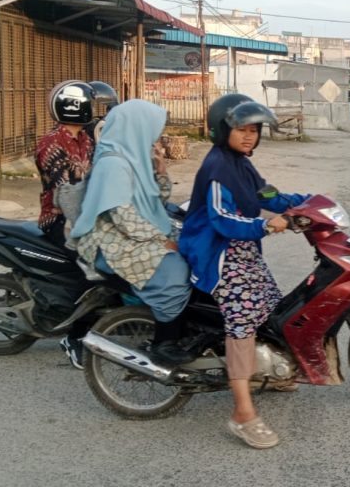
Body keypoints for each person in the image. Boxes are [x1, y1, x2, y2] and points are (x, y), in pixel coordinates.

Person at [179, 94, 310, 450]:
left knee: (272, 303)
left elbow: (265, 194)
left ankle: (269, 373)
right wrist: (268, 226)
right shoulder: (218, 167)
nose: (249, 136)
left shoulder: (241, 163)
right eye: (242, 129)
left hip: (240, 249)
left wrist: (305, 202)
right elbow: (223, 220)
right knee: (242, 322)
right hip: (217, 253)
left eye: (254, 130)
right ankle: (242, 413)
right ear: (224, 129)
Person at [70, 99, 196, 366]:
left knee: (191, 251)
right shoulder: (113, 164)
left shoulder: (134, 158)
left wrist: (161, 172)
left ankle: (184, 325)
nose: (157, 138)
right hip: (109, 239)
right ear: (135, 128)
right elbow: (123, 216)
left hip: (132, 233)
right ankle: (164, 342)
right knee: (172, 272)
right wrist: (161, 242)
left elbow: (156, 202)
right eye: (152, 130)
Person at [35, 80, 101, 369]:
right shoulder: (50, 144)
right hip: (60, 220)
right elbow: (64, 192)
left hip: (85, 214)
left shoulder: (86, 139)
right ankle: (75, 337)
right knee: (91, 271)